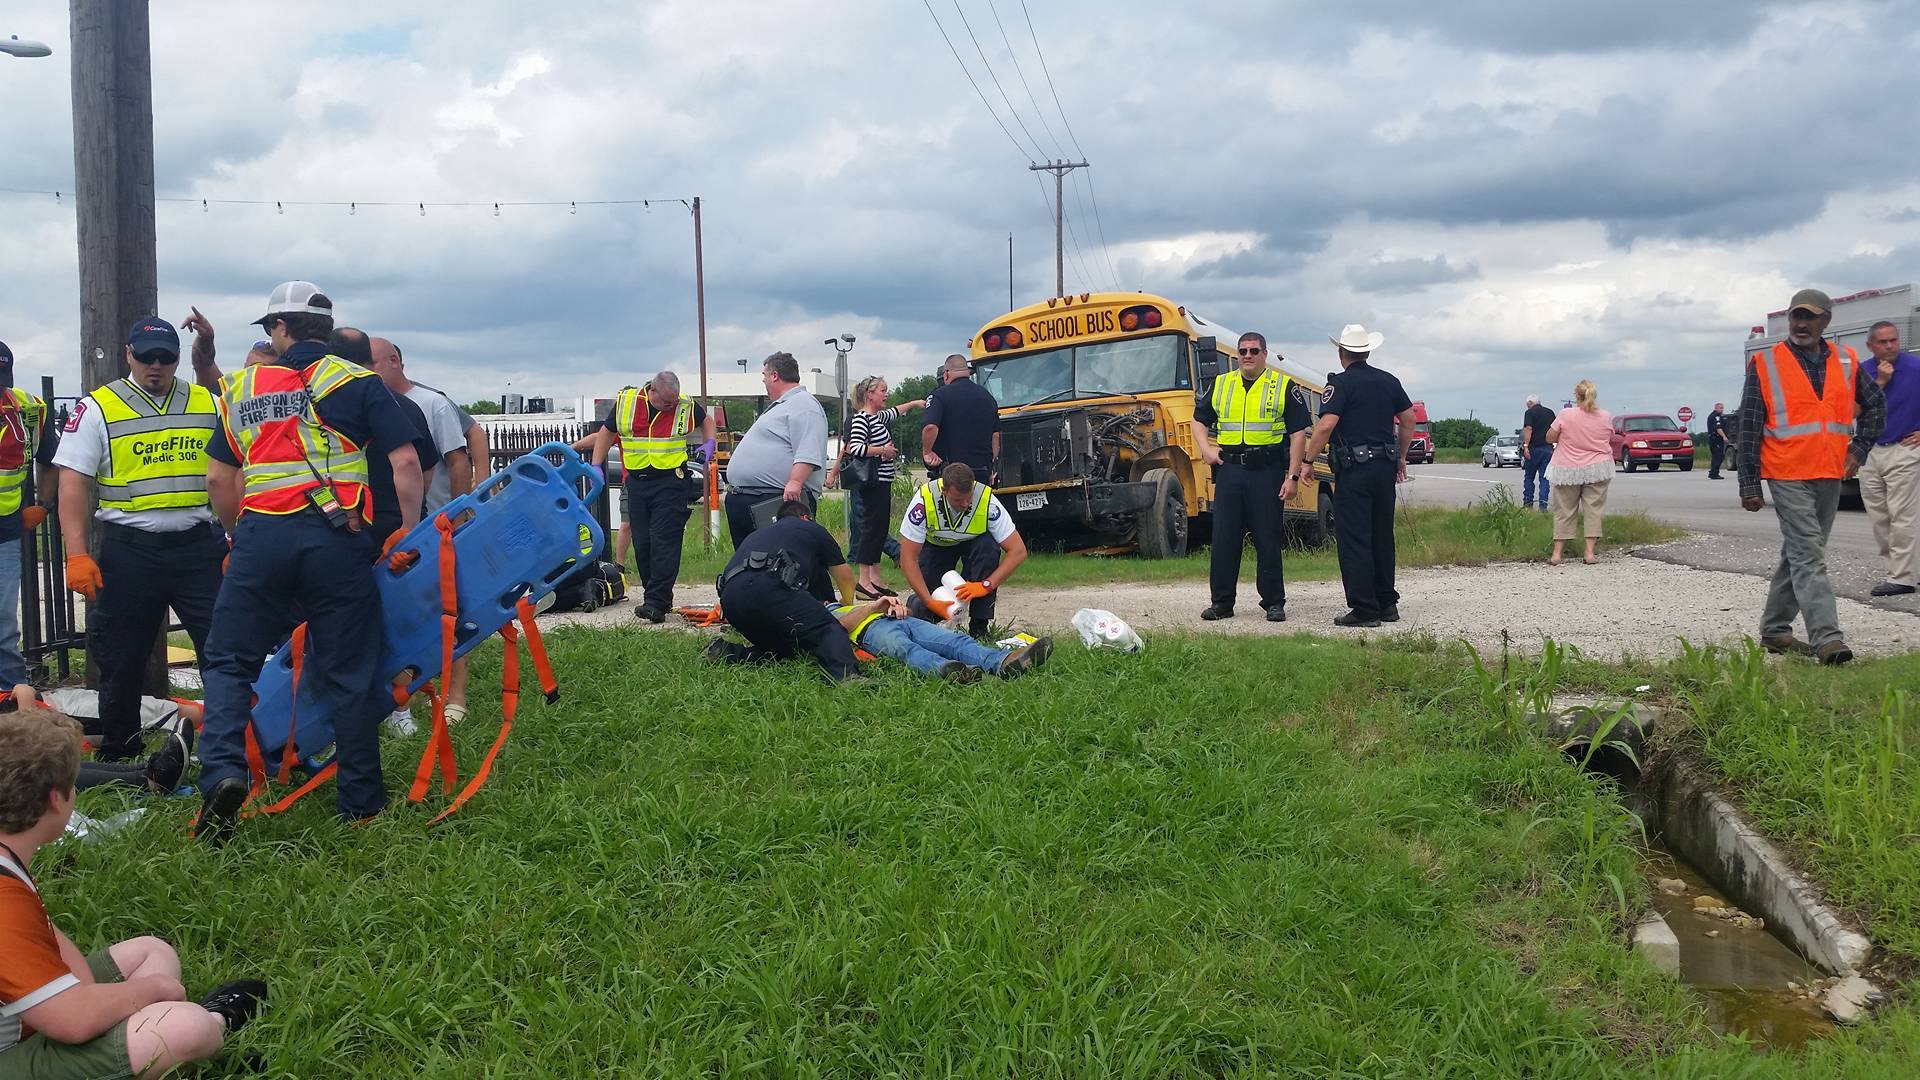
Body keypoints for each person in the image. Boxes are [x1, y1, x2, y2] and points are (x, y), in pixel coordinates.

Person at [195, 281, 425, 841]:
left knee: (229, 661)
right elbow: (406, 463)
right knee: (349, 669)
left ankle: (224, 774)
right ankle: (362, 804)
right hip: (336, 539)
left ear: (279, 328)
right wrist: (406, 533)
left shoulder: (241, 387)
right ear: (324, 328)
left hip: (260, 540)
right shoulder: (357, 381)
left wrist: (235, 539)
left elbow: (219, 479)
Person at [0, 710, 266, 1079]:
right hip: (15, 1048)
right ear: (56, 800)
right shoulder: (3, 898)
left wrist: (113, 1000)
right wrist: (153, 990)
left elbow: (60, 958)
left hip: (28, 1020)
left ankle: (152, 1050)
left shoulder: (8, 858)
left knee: (150, 951)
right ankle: (212, 1025)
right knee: (186, 1025)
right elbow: (71, 1020)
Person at [52, 317, 224, 762]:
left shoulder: (205, 401)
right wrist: (76, 555)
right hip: (130, 550)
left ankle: (226, 746)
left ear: (177, 358)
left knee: (221, 650)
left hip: (198, 547)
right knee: (121, 656)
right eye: (146, 356)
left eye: (166, 357)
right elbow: (73, 482)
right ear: (129, 353)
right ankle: (119, 749)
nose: (156, 365)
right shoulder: (99, 407)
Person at [1736, 288, 1885, 665]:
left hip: (1830, 471)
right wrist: (1749, 483)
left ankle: (1774, 630)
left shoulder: (1848, 361)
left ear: (1825, 322)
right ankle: (1828, 639)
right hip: (1786, 472)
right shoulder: (1766, 363)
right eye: (1796, 316)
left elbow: (1876, 406)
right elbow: (1749, 425)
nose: (1801, 323)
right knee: (1809, 554)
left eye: (1810, 317)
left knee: (1801, 553)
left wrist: (1859, 449)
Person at [1299, 324, 1415, 628]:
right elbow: (1408, 420)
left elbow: (1325, 426)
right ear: (1367, 351)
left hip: (1354, 470)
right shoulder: (1389, 381)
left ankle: (1364, 609)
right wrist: (1401, 457)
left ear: (1341, 353)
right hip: (1384, 468)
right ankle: (1387, 604)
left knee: (1354, 538)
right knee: (1381, 535)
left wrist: (1307, 460)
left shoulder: (1340, 385)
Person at [1189, 331, 1309, 622]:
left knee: (1267, 537)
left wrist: (1292, 477)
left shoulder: (1281, 385)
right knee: (1224, 538)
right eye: (1242, 351)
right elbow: (1197, 419)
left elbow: (1298, 434)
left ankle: (1273, 602)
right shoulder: (1222, 384)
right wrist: (1205, 449)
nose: (1247, 356)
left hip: (1266, 471)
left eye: (1254, 351)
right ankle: (1221, 603)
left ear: (1264, 354)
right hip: (1230, 470)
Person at [591, 372, 714, 622]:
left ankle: (655, 603)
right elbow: (606, 432)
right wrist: (596, 465)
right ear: (652, 391)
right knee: (644, 543)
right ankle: (657, 597)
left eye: (674, 401)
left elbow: (706, 420)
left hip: (671, 481)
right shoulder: (628, 403)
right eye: (666, 402)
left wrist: (709, 442)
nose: (671, 406)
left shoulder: (684, 404)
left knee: (664, 541)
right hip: (637, 482)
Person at [704, 500, 864, 684]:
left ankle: (727, 652)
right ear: (806, 517)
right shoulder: (812, 529)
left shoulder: (759, 534)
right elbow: (845, 578)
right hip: (769, 589)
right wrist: (846, 604)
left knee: (790, 651)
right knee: (828, 629)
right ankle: (846, 676)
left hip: (731, 600)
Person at [897, 462, 1028, 639]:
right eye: (958, 499)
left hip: (973, 547)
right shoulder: (924, 500)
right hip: (937, 548)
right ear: (944, 490)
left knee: (988, 546)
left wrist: (985, 585)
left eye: (969, 497)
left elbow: (1018, 551)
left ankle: (979, 627)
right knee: (928, 608)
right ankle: (920, 605)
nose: (966, 503)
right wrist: (928, 600)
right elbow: (908, 559)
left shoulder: (986, 499)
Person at [721, 353, 828, 551]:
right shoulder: (782, 406)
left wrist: (795, 482)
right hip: (751, 497)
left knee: (779, 559)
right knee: (752, 562)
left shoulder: (804, 405)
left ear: (775, 376)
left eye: (764, 375)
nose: (763, 380)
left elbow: (808, 449)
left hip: (777, 499)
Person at [0, 340, 58, 691]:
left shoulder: (27, 409)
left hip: (5, 532)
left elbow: (50, 459)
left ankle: (14, 706)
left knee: (3, 626)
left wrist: (44, 505)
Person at [828, 376, 917, 598]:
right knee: (870, 529)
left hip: (882, 480)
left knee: (878, 529)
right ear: (869, 394)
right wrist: (882, 451)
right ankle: (864, 582)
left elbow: (896, 411)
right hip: (871, 482)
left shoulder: (879, 417)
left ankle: (875, 579)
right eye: (882, 391)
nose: (886, 394)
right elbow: (855, 448)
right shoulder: (862, 419)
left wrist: (916, 403)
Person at [833, 595, 1052, 681]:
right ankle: (950, 671)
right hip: (871, 631)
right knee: (907, 650)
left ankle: (1004, 661)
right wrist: (872, 607)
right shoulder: (828, 614)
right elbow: (839, 628)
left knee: (955, 641)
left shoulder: (851, 604)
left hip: (901, 621)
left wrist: (899, 609)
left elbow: (909, 613)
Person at [1859, 320, 1919, 597]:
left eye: (1893, 340)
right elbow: (1853, 411)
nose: (1889, 345)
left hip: (1904, 448)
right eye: (1882, 342)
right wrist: (1880, 382)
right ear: (1871, 345)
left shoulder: (1915, 368)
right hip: (1871, 451)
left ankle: (1903, 578)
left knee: (1902, 515)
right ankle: (1898, 570)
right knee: (1879, 517)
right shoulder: (1863, 372)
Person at [1545, 379, 1614, 567]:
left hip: (1567, 467)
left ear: (1577, 395)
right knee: (1594, 510)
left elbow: (1550, 437)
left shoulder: (1566, 414)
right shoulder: (1605, 416)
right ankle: (1589, 553)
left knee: (1564, 510)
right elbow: (1608, 436)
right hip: (1598, 467)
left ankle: (1557, 554)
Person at [921, 354, 1000, 482]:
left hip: (951, 475)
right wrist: (990, 464)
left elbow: (930, 427)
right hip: (981, 472)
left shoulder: (939, 396)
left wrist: (927, 452)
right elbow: (995, 436)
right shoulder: (988, 397)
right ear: (968, 372)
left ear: (946, 374)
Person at [1520, 393, 1555, 510]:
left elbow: (1528, 428)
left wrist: (1526, 446)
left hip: (1533, 449)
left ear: (1530, 403)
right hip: (1547, 449)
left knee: (1529, 476)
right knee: (1544, 478)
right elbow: (1554, 430)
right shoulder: (1550, 412)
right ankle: (1543, 505)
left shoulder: (1529, 413)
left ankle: (1528, 504)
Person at [1705, 401, 1730, 479]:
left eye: (1722, 408)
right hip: (1716, 439)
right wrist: (1724, 436)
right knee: (1718, 456)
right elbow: (1718, 428)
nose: (1722, 410)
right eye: (1720, 408)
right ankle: (1714, 473)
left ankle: (1713, 472)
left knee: (1717, 456)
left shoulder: (1715, 416)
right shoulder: (1716, 416)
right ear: (1715, 408)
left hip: (1714, 439)